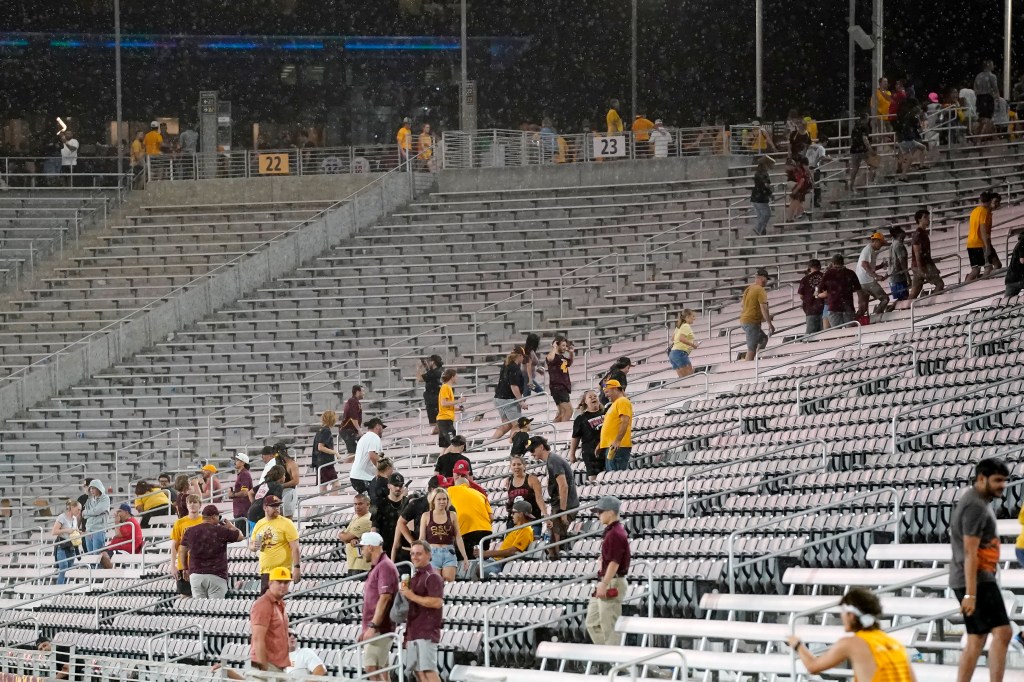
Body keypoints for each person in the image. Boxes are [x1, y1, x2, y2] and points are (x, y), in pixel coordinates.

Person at [949, 458, 1012, 682]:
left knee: (977, 638)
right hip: (977, 579)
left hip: (976, 578)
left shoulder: (978, 502)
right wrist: (970, 594)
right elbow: (969, 552)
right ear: (981, 478)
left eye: (1004, 481)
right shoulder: (974, 506)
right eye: (997, 480)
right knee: (1003, 633)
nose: (1001, 485)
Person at [787, 587, 914, 682]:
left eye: (842, 612)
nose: (841, 617)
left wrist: (798, 645)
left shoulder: (851, 644)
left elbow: (813, 667)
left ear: (851, 615)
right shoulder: (895, 644)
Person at [586, 496, 631, 646]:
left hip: (612, 581)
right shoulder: (612, 532)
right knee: (592, 623)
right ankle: (609, 657)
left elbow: (615, 562)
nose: (598, 515)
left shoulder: (615, 533)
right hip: (608, 580)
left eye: (600, 512)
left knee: (609, 628)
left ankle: (617, 664)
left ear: (611, 512)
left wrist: (604, 583)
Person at [526, 436, 578, 559]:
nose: (531, 453)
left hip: (564, 505)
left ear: (541, 447)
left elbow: (563, 486)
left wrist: (563, 512)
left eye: (533, 449)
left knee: (555, 543)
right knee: (553, 541)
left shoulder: (554, 460)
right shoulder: (551, 460)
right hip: (559, 504)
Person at [402, 541, 445, 682]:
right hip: (413, 630)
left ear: (428, 555)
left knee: (428, 671)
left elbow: (437, 602)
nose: (415, 557)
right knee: (418, 672)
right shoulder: (415, 577)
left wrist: (411, 596)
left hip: (426, 631)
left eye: (419, 554)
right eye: (412, 554)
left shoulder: (432, 576)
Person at [359, 531, 400, 681]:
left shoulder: (384, 566)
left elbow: (385, 598)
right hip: (377, 627)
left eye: (363, 547)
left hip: (380, 628)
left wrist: (373, 626)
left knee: (372, 668)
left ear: (370, 547)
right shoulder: (381, 566)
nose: (362, 551)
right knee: (381, 669)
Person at [180, 504, 243, 598]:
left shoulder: (190, 531)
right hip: (217, 575)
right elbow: (240, 536)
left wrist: (184, 568)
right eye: (219, 517)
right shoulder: (221, 530)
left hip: (196, 575)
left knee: (200, 609)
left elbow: (182, 550)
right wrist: (231, 526)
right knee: (215, 610)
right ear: (213, 516)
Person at [250, 495, 301, 594]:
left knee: (278, 602)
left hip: (282, 570)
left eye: (278, 506)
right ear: (265, 508)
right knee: (266, 604)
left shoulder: (287, 523)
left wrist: (297, 568)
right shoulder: (259, 524)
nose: (277, 508)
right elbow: (252, 545)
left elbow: (295, 548)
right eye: (273, 506)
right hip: (265, 571)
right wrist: (253, 547)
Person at [419, 488, 469, 581]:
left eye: (444, 499)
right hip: (433, 552)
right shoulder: (426, 516)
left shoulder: (452, 515)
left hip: (449, 552)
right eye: (439, 499)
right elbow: (422, 538)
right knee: (434, 583)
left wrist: (465, 556)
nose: (442, 501)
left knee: (448, 582)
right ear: (433, 501)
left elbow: (458, 537)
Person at [476, 499, 535, 577]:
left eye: (513, 513)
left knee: (478, 568)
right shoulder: (517, 527)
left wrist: (486, 553)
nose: (511, 515)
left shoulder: (526, 530)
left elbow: (512, 551)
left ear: (521, 514)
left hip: (502, 564)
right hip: (497, 561)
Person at [250, 566, 293, 672]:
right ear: (270, 583)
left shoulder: (280, 604)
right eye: (279, 582)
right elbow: (257, 638)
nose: (283, 585)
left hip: (276, 665)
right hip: (267, 665)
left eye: (286, 582)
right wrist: (263, 668)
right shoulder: (263, 604)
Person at [446, 474, 493, 566]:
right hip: (486, 530)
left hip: (466, 530)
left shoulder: (451, 490)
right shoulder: (480, 494)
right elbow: (492, 517)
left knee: (465, 560)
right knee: (481, 560)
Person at [394, 476, 443, 564]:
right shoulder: (417, 504)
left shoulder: (449, 506)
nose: (446, 491)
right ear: (432, 489)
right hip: (422, 551)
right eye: (443, 488)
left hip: (440, 551)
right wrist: (413, 543)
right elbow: (400, 523)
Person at [739, 268, 775, 361]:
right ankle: (747, 370)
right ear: (762, 278)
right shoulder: (760, 290)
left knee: (763, 339)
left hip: (745, 320)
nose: (767, 281)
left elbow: (742, 304)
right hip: (752, 322)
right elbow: (764, 308)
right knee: (751, 350)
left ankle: (758, 359)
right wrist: (769, 324)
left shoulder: (749, 288)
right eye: (766, 279)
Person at [171, 494, 204, 597]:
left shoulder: (204, 521)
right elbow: (174, 545)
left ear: (200, 505)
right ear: (186, 505)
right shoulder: (180, 523)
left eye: (195, 502)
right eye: (190, 502)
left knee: (201, 597)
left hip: (200, 565)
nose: (192, 505)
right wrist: (173, 565)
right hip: (183, 564)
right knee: (185, 597)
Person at [818, 254, 862, 328]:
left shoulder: (828, 274)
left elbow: (820, 289)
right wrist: (861, 305)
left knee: (837, 332)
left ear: (833, 263)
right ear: (843, 262)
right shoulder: (850, 273)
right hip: (848, 306)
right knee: (850, 332)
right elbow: (859, 291)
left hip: (834, 306)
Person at [598, 380, 634, 472]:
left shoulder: (622, 401)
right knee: (611, 475)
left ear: (615, 389)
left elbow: (624, 421)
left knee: (614, 475)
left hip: (617, 446)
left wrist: (618, 440)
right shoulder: (616, 404)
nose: (606, 395)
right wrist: (601, 444)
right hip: (612, 446)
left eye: (607, 392)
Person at [909, 208, 944, 299]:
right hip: (923, 265)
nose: (928, 219)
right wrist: (921, 268)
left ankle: (905, 309)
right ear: (919, 219)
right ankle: (930, 302)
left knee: (915, 291)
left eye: (928, 217)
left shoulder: (922, 233)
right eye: (925, 217)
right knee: (939, 284)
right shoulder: (918, 233)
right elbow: (917, 252)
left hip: (919, 265)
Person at [569, 391, 605, 481]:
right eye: (590, 397)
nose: (593, 398)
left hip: (606, 450)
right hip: (590, 453)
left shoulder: (606, 413)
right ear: (585, 401)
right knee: (594, 480)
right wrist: (572, 454)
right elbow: (575, 437)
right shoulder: (581, 418)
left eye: (595, 396)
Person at [855, 232, 890, 318]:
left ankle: (855, 322)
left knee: (863, 307)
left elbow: (868, 267)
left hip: (861, 282)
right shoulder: (869, 249)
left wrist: (881, 266)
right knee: (885, 299)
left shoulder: (869, 250)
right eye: (881, 244)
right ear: (876, 241)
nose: (881, 246)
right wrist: (875, 276)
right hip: (867, 281)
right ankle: (876, 317)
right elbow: (864, 265)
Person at [372, 473, 407, 560]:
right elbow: (374, 528)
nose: (398, 488)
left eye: (400, 485)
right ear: (389, 486)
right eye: (395, 485)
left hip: (404, 550)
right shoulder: (379, 504)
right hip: (385, 548)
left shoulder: (408, 503)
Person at [98, 503, 143, 569]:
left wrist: (116, 522)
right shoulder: (127, 522)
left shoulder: (131, 522)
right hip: (120, 547)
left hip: (127, 550)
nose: (117, 513)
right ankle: (109, 574)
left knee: (104, 555)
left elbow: (118, 534)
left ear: (126, 512)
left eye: (120, 511)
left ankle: (114, 575)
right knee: (101, 553)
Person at [492, 349, 525, 439]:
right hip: (508, 400)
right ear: (520, 356)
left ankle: (488, 443)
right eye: (523, 356)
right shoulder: (514, 367)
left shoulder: (505, 365)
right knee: (518, 425)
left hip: (498, 398)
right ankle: (515, 447)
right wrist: (521, 401)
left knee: (507, 425)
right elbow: (514, 386)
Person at [504, 454, 546, 523]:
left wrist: (545, 514)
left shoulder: (532, 479)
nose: (516, 467)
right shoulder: (509, 481)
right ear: (510, 467)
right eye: (513, 465)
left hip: (532, 519)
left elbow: (539, 498)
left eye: (519, 464)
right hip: (514, 520)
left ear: (524, 466)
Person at [966, 191, 997, 283]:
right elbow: (983, 230)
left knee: (975, 270)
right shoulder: (984, 212)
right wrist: (987, 246)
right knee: (988, 267)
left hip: (970, 243)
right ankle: (981, 284)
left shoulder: (975, 211)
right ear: (990, 200)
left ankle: (966, 286)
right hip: (979, 243)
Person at [339, 493, 373, 575]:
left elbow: (346, 537)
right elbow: (343, 535)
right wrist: (346, 536)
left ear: (368, 505)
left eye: (360, 504)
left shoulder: (366, 519)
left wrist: (345, 536)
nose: (357, 506)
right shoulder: (356, 517)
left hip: (361, 566)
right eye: (355, 504)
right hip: (354, 565)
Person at [353, 418, 386, 494]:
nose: (383, 431)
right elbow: (372, 455)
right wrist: (383, 470)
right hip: (364, 477)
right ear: (377, 426)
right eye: (382, 428)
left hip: (357, 476)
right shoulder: (374, 437)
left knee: (367, 502)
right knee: (376, 500)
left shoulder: (364, 437)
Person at [52, 499, 81, 585]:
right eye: (78, 509)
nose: (79, 512)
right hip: (62, 545)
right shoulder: (62, 517)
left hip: (71, 546)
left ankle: (64, 588)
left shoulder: (75, 519)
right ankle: (59, 589)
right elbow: (54, 531)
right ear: (72, 507)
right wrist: (67, 530)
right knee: (63, 567)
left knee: (68, 569)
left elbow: (75, 530)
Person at [248, 465, 284, 532]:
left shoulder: (264, 483)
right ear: (281, 476)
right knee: (265, 538)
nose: (285, 477)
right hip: (261, 515)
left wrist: (254, 503)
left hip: (252, 512)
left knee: (254, 539)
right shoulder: (278, 486)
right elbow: (276, 501)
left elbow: (250, 493)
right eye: (284, 475)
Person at [547, 336, 575, 422]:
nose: (565, 347)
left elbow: (569, 363)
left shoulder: (561, 357)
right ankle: (561, 430)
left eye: (565, 345)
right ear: (557, 345)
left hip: (563, 387)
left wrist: (571, 353)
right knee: (569, 411)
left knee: (561, 413)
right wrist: (554, 347)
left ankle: (554, 430)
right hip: (558, 387)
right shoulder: (553, 356)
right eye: (563, 345)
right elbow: (550, 359)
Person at [797, 259, 826, 335]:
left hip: (811, 309)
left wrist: (808, 300)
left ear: (809, 267)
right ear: (819, 266)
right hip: (825, 308)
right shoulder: (824, 276)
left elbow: (801, 295)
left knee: (810, 336)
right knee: (825, 335)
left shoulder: (805, 279)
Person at [436, 369, 461, 453]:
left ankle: (439, 465)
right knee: (453, 444)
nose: (457, 377)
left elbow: (446, 406)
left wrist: (458, 409)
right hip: (445, 420)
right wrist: (459, 401)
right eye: (456, 376)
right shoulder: (445, 387)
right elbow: (443, 403)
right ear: (452, 377)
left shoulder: (447, 388)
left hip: (444, 420)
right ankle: (445, 463)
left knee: (445, 447)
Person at [417, 355, 444, 435]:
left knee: (434, 423)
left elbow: (419, 378)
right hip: (436, 399)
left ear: (433, 362)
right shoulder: (440, 371)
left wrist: (419, 367)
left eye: (429, 361)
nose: (428, 363)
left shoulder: (433, 373)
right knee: (437, 422)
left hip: (433, 400)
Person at [82, 479, 109, 555]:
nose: (91, 490)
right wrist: (91, 513)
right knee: (90, 555)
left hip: (99, 529)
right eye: (90, 488)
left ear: (99, 488)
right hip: (88, 529)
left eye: (93, 488)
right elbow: (85, 516)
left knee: (97, 555)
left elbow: (96, 511)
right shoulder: (89, 500)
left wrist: (86, 513)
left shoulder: (105, 498)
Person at [669, 309, 699, 378]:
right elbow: (681, 339)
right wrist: (692, 344)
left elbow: (673, 339)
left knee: (682, 379)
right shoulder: (686, 326)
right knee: (689, 377)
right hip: (680, 353)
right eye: (693, 316)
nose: (694, 318)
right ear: (688, 316)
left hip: (673, 353)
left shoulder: (679, 326)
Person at [848, 112, 874, 191]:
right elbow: (864, 138)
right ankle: (871, 181)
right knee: (874, 164)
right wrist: (870, 149)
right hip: (862, 149)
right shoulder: (864, 127)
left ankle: (851, 185)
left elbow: (852, 138)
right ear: (865, 118)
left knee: (855, 168)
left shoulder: (855, 127)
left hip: (854, 149)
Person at [227, 453, 253, 534]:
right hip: (241, 510)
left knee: (243, 536)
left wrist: (233, 495)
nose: (235, 462)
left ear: (243, 463)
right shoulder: (242, 474)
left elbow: (245, 492)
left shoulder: (244, 474)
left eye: (237, 460)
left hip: (242, 511)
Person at [750, 156, 775, 236]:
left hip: (755, 197)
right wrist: (770, 193)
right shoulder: (764, 174)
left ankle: (762, 229)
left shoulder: (757, 173)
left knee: (761, 215)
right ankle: (758, 228)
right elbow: (765, 186)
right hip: (760, 197)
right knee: (766, 214)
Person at [975, 60, 1000, 138]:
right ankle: (981, 137)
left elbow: (975, 89)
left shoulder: (978, 76)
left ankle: (978, 135)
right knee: (987, 118)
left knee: (981, 118)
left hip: (979, 98)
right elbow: (995, 89)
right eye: (992, 65)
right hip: (987, 98)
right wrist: (997, 99)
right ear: (989, 65)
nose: (993, 66)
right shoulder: (992, 76)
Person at [340, 386, 364, 461]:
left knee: (356, 451)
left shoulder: (354, 401)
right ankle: (343, 469)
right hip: (347, 430)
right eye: (362, 391)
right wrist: (359, 430)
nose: (364, 393)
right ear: (357, 392)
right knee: (353, 452)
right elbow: (353, 417)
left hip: (350, 430)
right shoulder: (353, 401)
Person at [888, 227, 911, 303]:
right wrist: (907, 276)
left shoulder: (893, 244)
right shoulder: (899, 245)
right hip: (898, 276)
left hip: (893, 275)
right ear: (899, 234)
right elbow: (902, 261)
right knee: (903, 298)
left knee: (901, 298)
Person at [1005, 231, 1024, 297]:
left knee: (1007, 301)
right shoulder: (1022, 244)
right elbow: (1022, 260)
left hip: (1012, 278)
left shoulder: (1020, 243)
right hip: (1017, 277)